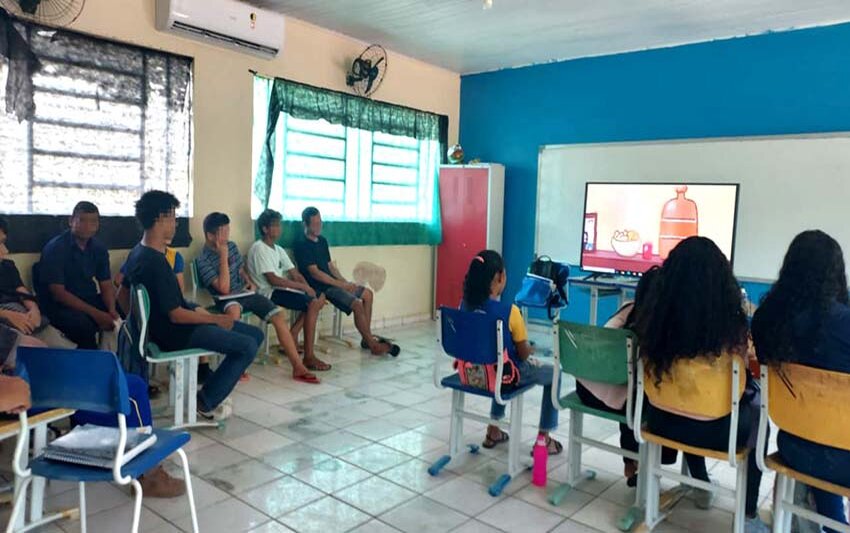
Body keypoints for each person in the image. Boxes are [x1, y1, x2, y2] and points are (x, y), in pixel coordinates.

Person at [636, 236, 768, 533]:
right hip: (719, 433)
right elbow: (748, 369)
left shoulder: (655, 322)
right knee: (760, 420)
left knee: (691, 400)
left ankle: (700, 485)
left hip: (660, 422)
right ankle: (747, 516)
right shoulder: (731, 328)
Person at [121, 191, 263, 420]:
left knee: (255, 334)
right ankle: (204, 402)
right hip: (175, 333)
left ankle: (207, 396)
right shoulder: (154, 262)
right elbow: (176, 315)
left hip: (164, 328)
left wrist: (143, 323)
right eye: (173, 218)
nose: (175, 224)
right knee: (246, 346)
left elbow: (123, 294)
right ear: (160, 219)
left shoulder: (138, 253)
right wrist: (215, 318)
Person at [752, 230, 850, 532]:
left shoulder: (767, 320)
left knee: (824, 438)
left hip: (794, 445)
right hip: (842, 457)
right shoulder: (844, 324)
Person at [574, 266, 678, 486]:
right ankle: (647, 466)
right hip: (623, 398)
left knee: (632, 393)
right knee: (650, 400)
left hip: (586, 388)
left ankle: (631, 464)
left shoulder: (628, 310)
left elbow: (603, 336)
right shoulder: (661, 327)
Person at [196, 212, 320, 384]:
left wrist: (249, 282)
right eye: (222, 233)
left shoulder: (231, 246)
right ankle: (237, 367)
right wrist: (223, 257)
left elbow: (241, 269)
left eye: (228, 231)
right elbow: (223, 289)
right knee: (234, 314)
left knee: (278, 316)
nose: (227, 236)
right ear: (210, 235)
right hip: (226, 298)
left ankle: (298, 366)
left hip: (245, 293)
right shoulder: (202, 260)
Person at [461, 250, 562, 454]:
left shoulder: (464, 306)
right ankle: (544, 438)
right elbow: (523, 355)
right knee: (554, 373)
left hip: (471, 373)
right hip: (502, 376)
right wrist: (530, 348)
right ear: (500, 277)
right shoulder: (510, 312)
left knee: (495, 361)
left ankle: (494, 429)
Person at [294, 207, 399, 356]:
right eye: (314, 224)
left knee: (367, 294)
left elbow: (330, 266)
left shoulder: (322, 241)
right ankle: (372, 344)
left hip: (335, 283)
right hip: (322, 288)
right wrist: (341, 285)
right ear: (305, 224)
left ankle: (365, 338)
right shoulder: (301, 244)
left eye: (320, 222)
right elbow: (316, 273)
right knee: (356, 304)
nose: (318, 227)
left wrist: (346, 282)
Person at [246, 209, 330, 372]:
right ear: (265, 229)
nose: (279, 229)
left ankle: (293, 337)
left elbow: (295, 273)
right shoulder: (259, 248)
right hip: (268, 293)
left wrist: (308, 288)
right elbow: (273, 280)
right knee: (312, 303)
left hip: (280, 290)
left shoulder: (278, 249)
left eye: (279, 225)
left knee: (316, 299)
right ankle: (309, 356)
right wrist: (302, 288)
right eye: (275, 226)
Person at [37, 202, 118, 349]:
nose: (88, 226)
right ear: (71, 221)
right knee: (83, 325)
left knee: (121, 309)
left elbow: (105, 284)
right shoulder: (56, 248)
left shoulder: (98, 248)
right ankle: (90, 362)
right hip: (59, 305)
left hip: (88, 297)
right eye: (82, 220)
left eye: (93, 221)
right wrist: (97, 314)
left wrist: (111, 310)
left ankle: (111, 355)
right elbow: (58, 293)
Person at [0, 217, 75, 349]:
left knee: (64, 350)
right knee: (36, 349)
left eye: (3, 243)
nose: (5, 251)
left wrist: (34, 309)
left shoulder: (7, 266)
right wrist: (7, 315)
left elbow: (21, 291)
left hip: (23, 314)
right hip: (7, 320)